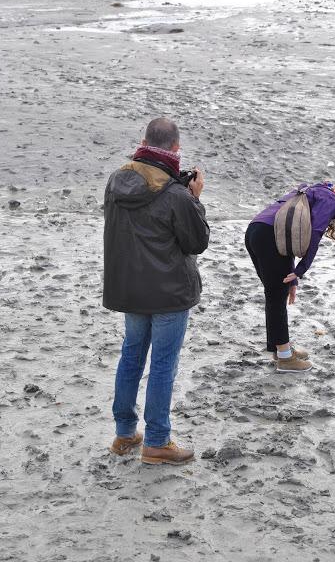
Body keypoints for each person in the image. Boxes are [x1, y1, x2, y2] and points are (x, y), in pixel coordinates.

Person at [103, 118, 209, 464]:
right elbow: (197, 241)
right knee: (163, 363)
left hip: (131, 287)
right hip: (169, 293)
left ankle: (124, 434)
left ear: (143, 141)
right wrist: (195, 199)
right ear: (175, 149)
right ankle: (157, 441)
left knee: (131, 355)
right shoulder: (177, 194)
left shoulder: (116, 181)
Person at [245, 179, 335, 373]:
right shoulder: (330, 201)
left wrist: (293, 278)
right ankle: (285, 359)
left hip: (257, 230)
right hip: (270, 235)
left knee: (276, 293)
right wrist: (301, 269)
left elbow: (291, 234)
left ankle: (279, 348)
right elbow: (314, 234)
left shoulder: (319, 190)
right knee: (276, 295)